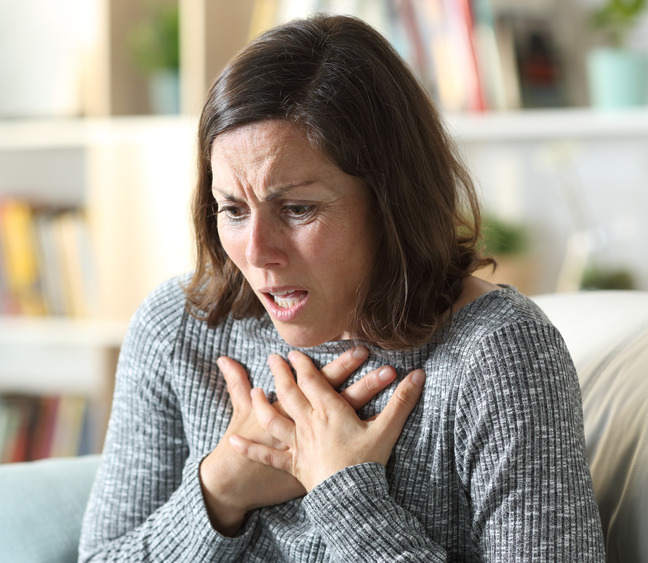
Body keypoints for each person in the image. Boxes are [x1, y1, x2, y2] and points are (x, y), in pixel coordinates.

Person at [79, 14, 604, 562]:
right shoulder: (179, 327)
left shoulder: (498, 354)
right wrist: (221, 488)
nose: (257, 252)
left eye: (298, 208)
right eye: (232, 210)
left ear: (390, 202)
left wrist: (345, 495)